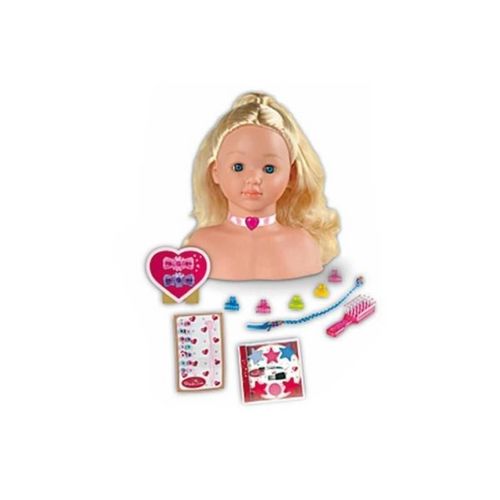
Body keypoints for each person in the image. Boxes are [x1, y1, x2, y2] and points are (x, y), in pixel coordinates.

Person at [186, 92, 340, 280]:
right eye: (238, 167)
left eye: (269, 168)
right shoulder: (201, 246)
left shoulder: (303, 245)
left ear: (291, 175)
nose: (253, 178)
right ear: (215, 172)